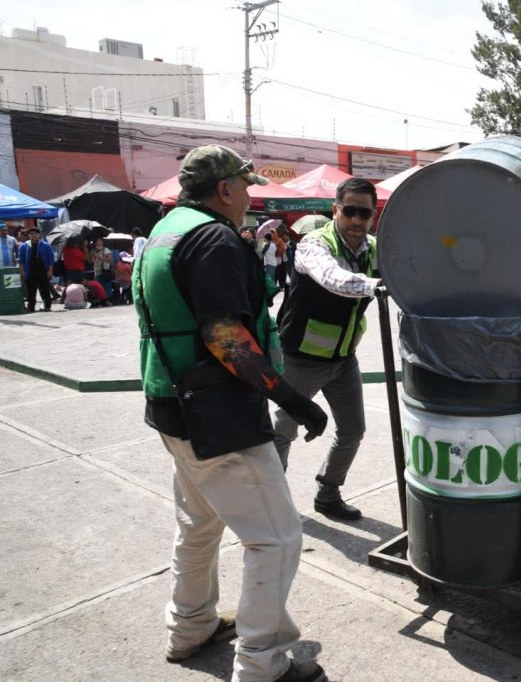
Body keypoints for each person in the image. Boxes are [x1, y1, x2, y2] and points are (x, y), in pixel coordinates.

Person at [132, 144, 329, 682]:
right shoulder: (213, 237)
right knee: (277, 537)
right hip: (216, 413)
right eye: (244, 185)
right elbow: (223, 333)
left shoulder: (166, 231)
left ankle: (189, 627)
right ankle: (263, 663)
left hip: (172, 403)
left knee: (199, 524)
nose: (249, 194)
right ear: (223, 190)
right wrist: (289, 397)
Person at [272, 177, 381, 521]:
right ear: (335, 210)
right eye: (349, 211)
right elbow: (334, 279)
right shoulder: (313, 245)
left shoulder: (374, 248)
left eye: (364, 213)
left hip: (343, 359)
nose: (356, 220)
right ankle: (269, 506)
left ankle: (328, 493)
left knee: (353, 430)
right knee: (282, 434)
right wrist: (381, 286)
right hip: (299, 360)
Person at [17, 226, 54, 312]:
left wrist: (50, 270)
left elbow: (51, 259)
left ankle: (47, 306)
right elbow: (21, 260)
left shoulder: (45, 245)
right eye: (31, 234)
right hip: (30, 271)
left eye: (35, 234)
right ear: (28, 235)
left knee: (45, 289)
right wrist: (22, 271)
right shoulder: (24, 246)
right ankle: (31, 307)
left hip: (43, 270)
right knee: (30, 291)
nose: (33, 235)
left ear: (39, 235)